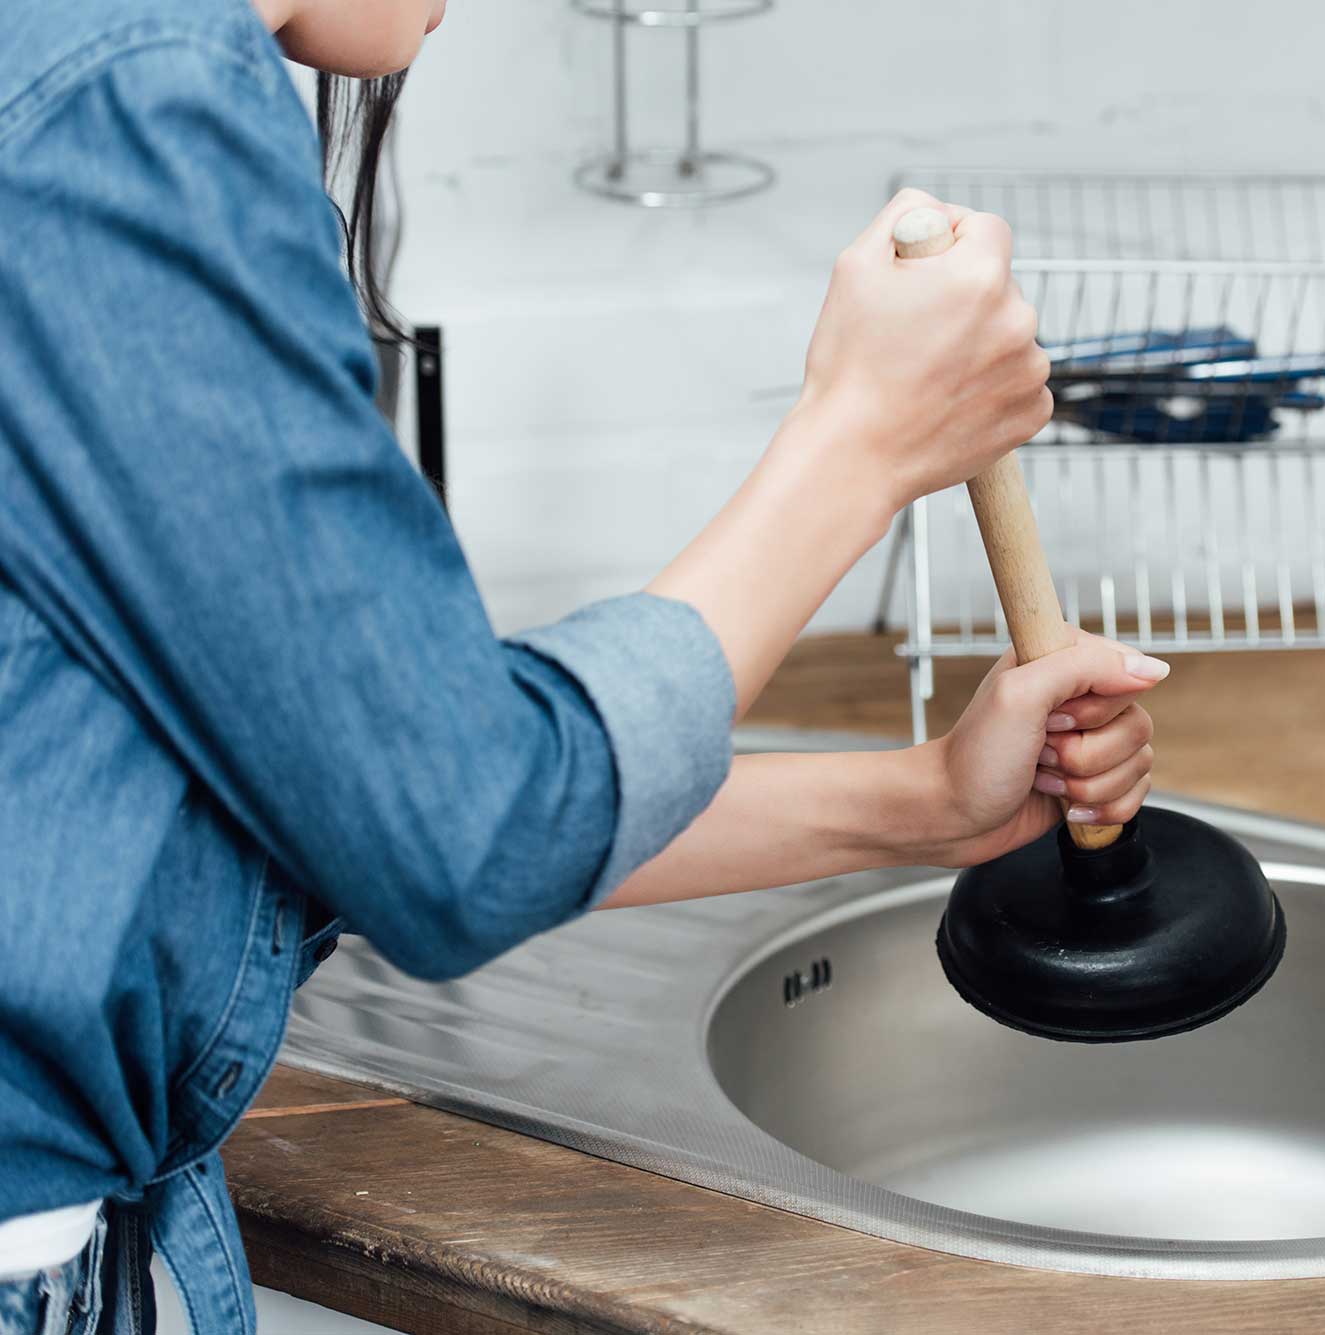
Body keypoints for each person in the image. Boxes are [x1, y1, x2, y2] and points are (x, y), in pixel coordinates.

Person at [0, 0, 1165, 1329]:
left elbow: (349, 797)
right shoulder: (121, 89)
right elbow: (463, 829)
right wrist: (864, 440)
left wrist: (927, 801)